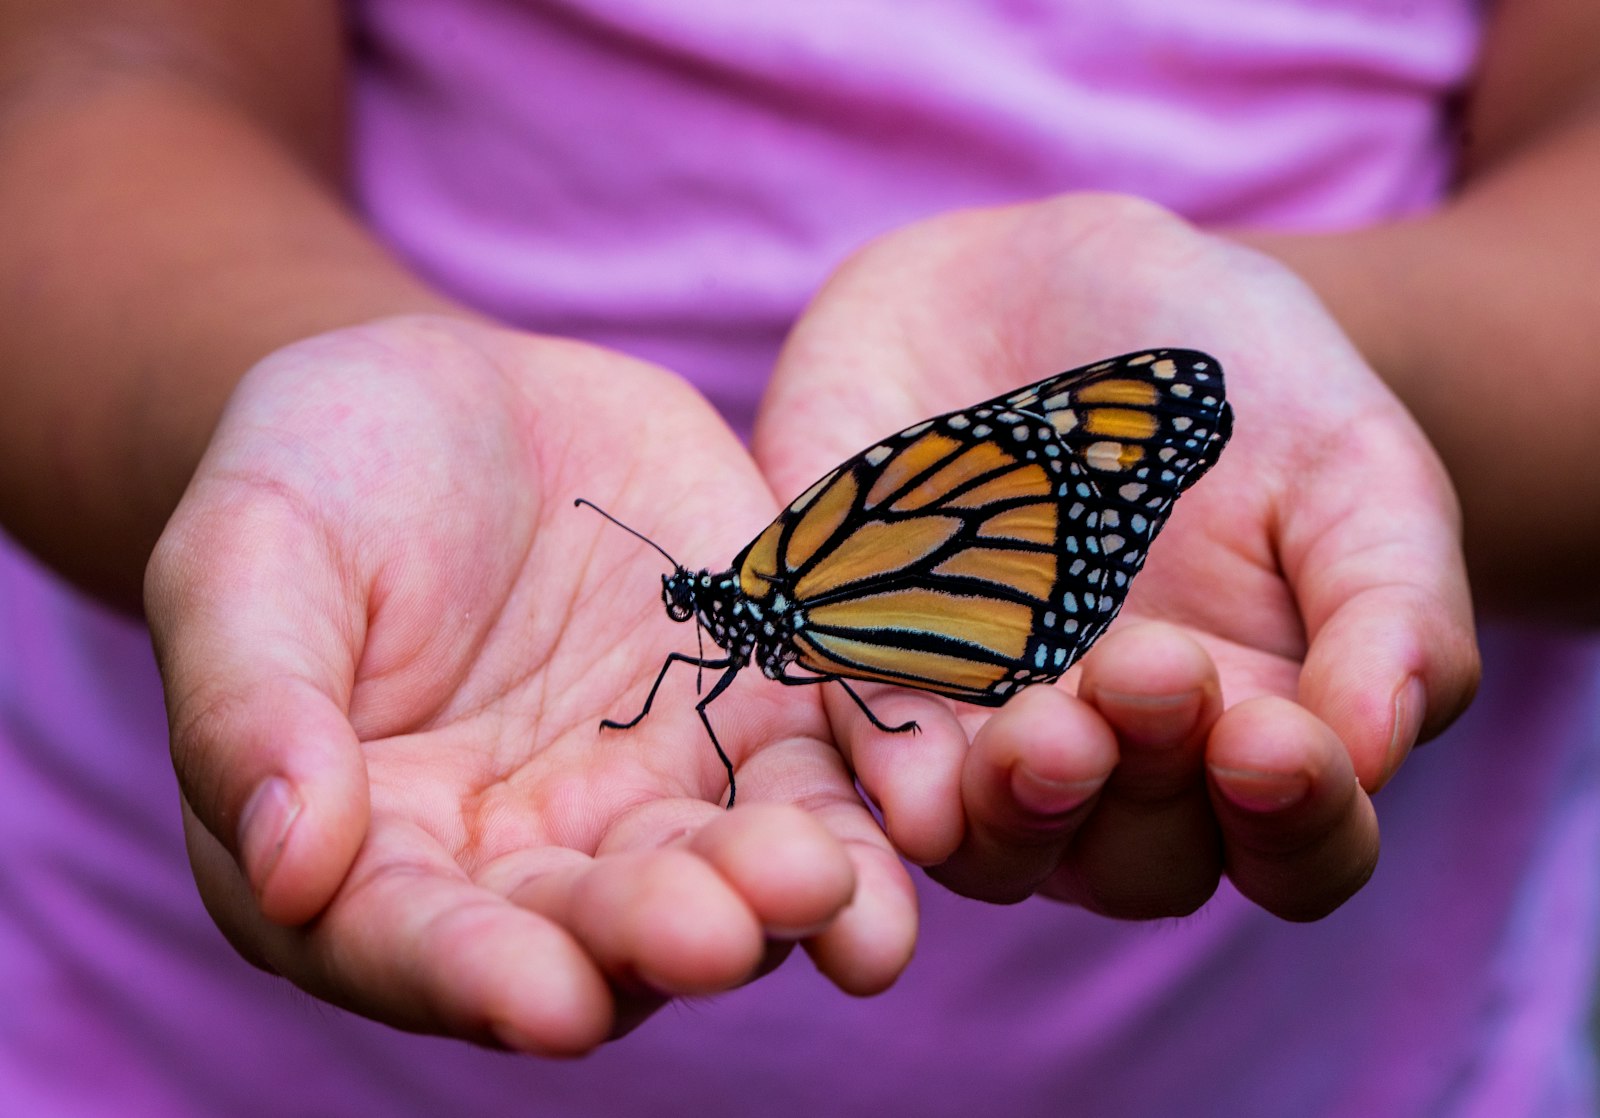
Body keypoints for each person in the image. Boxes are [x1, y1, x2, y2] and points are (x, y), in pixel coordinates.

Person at [0, 1, 1595, 1113]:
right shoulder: (772, 600)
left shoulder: (796, 578)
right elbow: (94, 86)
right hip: (158, 1052)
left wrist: (1364, 378)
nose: (699, 612)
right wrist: (298, 399)